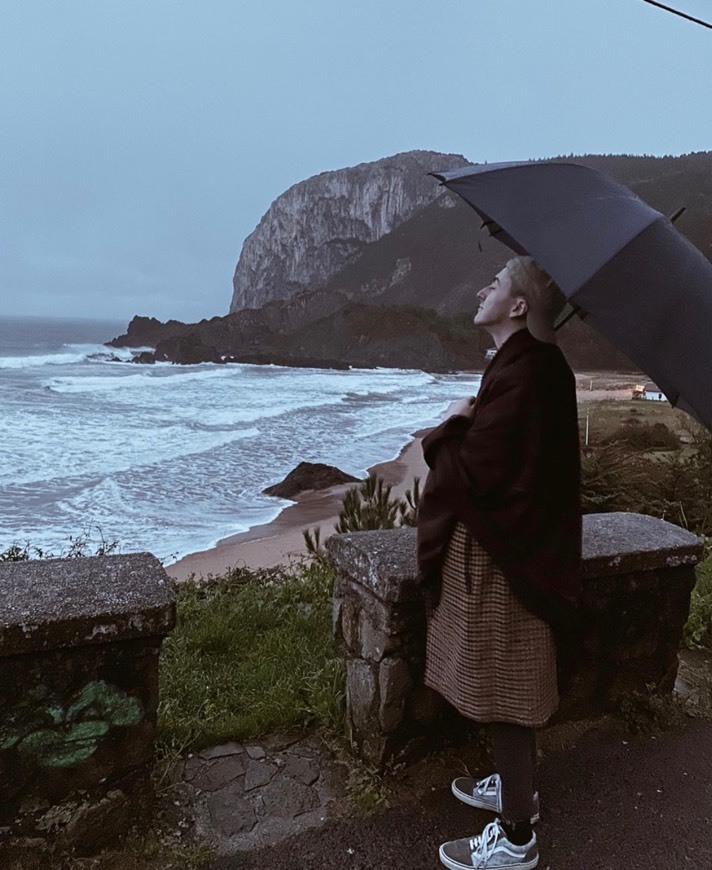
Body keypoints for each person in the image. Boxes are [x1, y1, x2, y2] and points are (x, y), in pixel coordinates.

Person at [416, 256, 582, 870]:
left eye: (498, 281)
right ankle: (518, 789)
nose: (483, 286)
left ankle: (517, 837)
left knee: (507, 685)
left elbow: (477, 472)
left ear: (517, 307)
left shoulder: (529, 372)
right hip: (512, 551)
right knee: (500, 677)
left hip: (509, 559)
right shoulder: (525, 366)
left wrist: (449, 426)